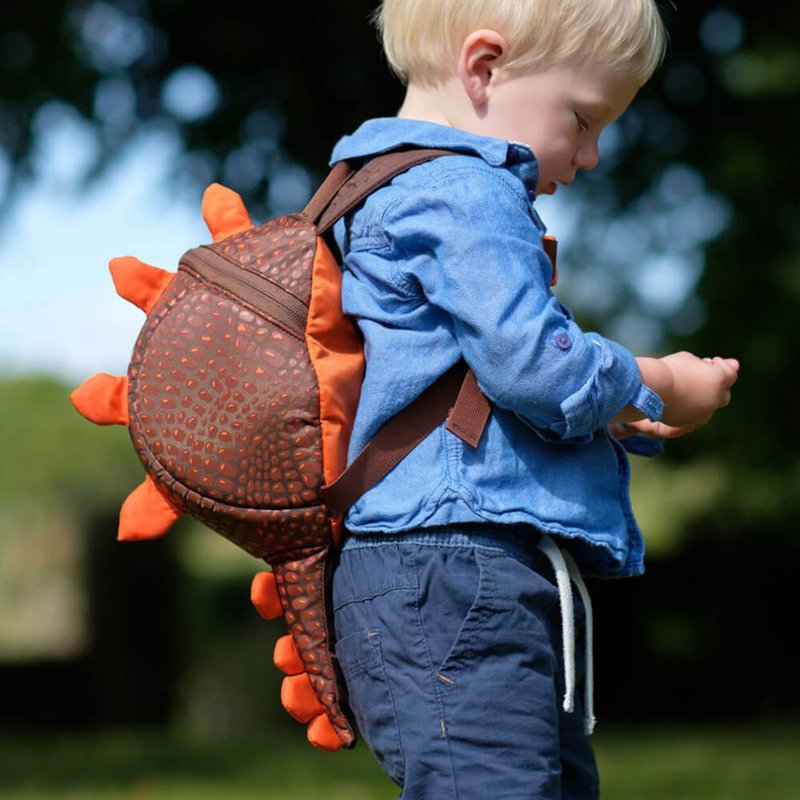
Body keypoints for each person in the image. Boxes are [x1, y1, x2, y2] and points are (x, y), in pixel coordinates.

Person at [328, 1, 740, 797]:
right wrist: (660, 380)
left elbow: (474, 384)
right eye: (582, 119)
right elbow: (537, 370)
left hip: (436, 568)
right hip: (454, 569)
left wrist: (616, 409)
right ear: (484, 67)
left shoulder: (374, 181)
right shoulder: (464, 190)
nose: (591, 155)